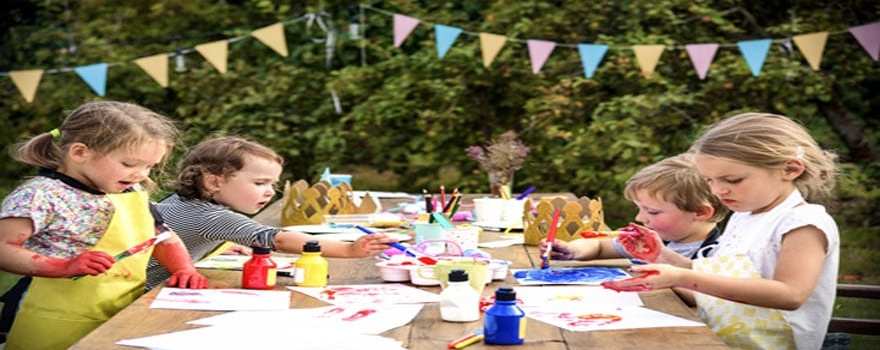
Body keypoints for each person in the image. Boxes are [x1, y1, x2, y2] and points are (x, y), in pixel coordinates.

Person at [611, 113, 839, 350]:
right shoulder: (743, 216)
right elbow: (725, 278)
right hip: (722, 341)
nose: (718, 191)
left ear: (790, 169)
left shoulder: (802, 222)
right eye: (709, 180)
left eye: (733, 180)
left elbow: (790, 294)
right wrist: (663, 257)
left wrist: (682, 277)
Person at [0, 101, 207, 350]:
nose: (141, 174)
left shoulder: (129, 191)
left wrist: (183, 269)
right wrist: (63, 266)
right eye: (129, 164)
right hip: (50, 319)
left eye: (149, 166)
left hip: (119, 313)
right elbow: (4, 247)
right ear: (79, 153)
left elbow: (161, 237)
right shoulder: (42, 195)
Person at [146, 136, 393, 290]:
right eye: (260, 183)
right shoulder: (213, 217)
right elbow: (279, 239)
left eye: (272, 185)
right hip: (146, 293)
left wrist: (221, 245)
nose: (269, 192)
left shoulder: (180, 202)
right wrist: (349, 250)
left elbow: (186, 232)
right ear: (214, 182)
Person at [541, 153, 728, 265]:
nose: (640, 218)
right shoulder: (657, 239)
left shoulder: (717, 254)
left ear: (700, 212)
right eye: (640, 209)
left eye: (653, 212)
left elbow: (706, 298)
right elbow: (600, 246)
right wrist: (571, 250)